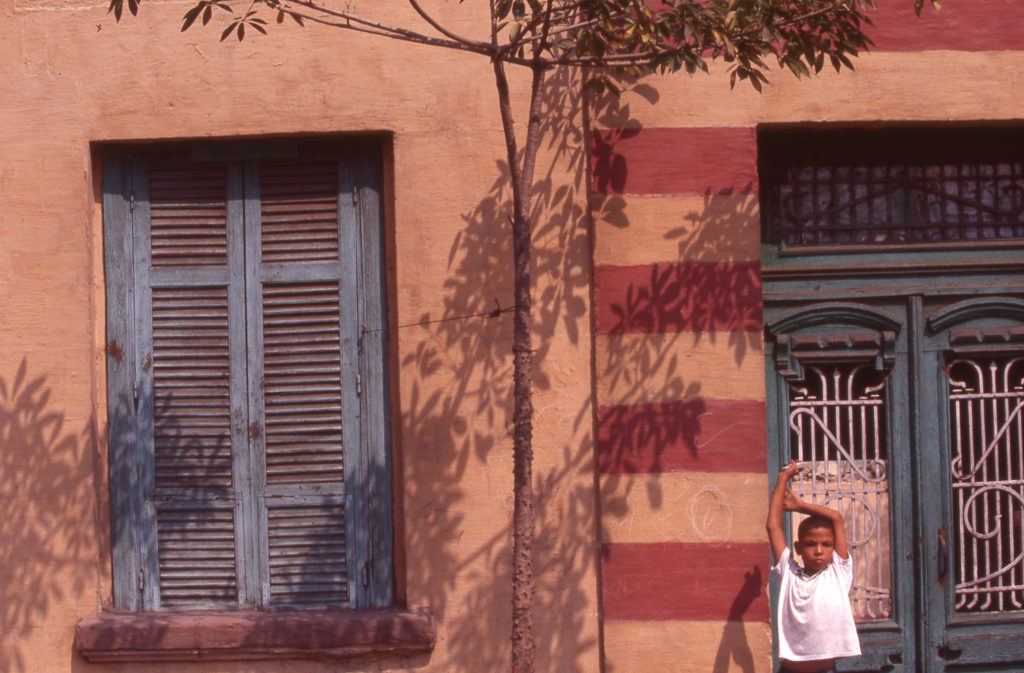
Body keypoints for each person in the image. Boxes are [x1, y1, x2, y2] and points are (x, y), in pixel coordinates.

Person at [766, 462, 861, 673]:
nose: (819, 550)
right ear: (798, 548)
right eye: (811, 544)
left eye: (826, 545)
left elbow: (836, 518)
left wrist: (801, 506)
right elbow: (773, 526)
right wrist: (783, 478)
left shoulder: (838, 572)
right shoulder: (789, 574)